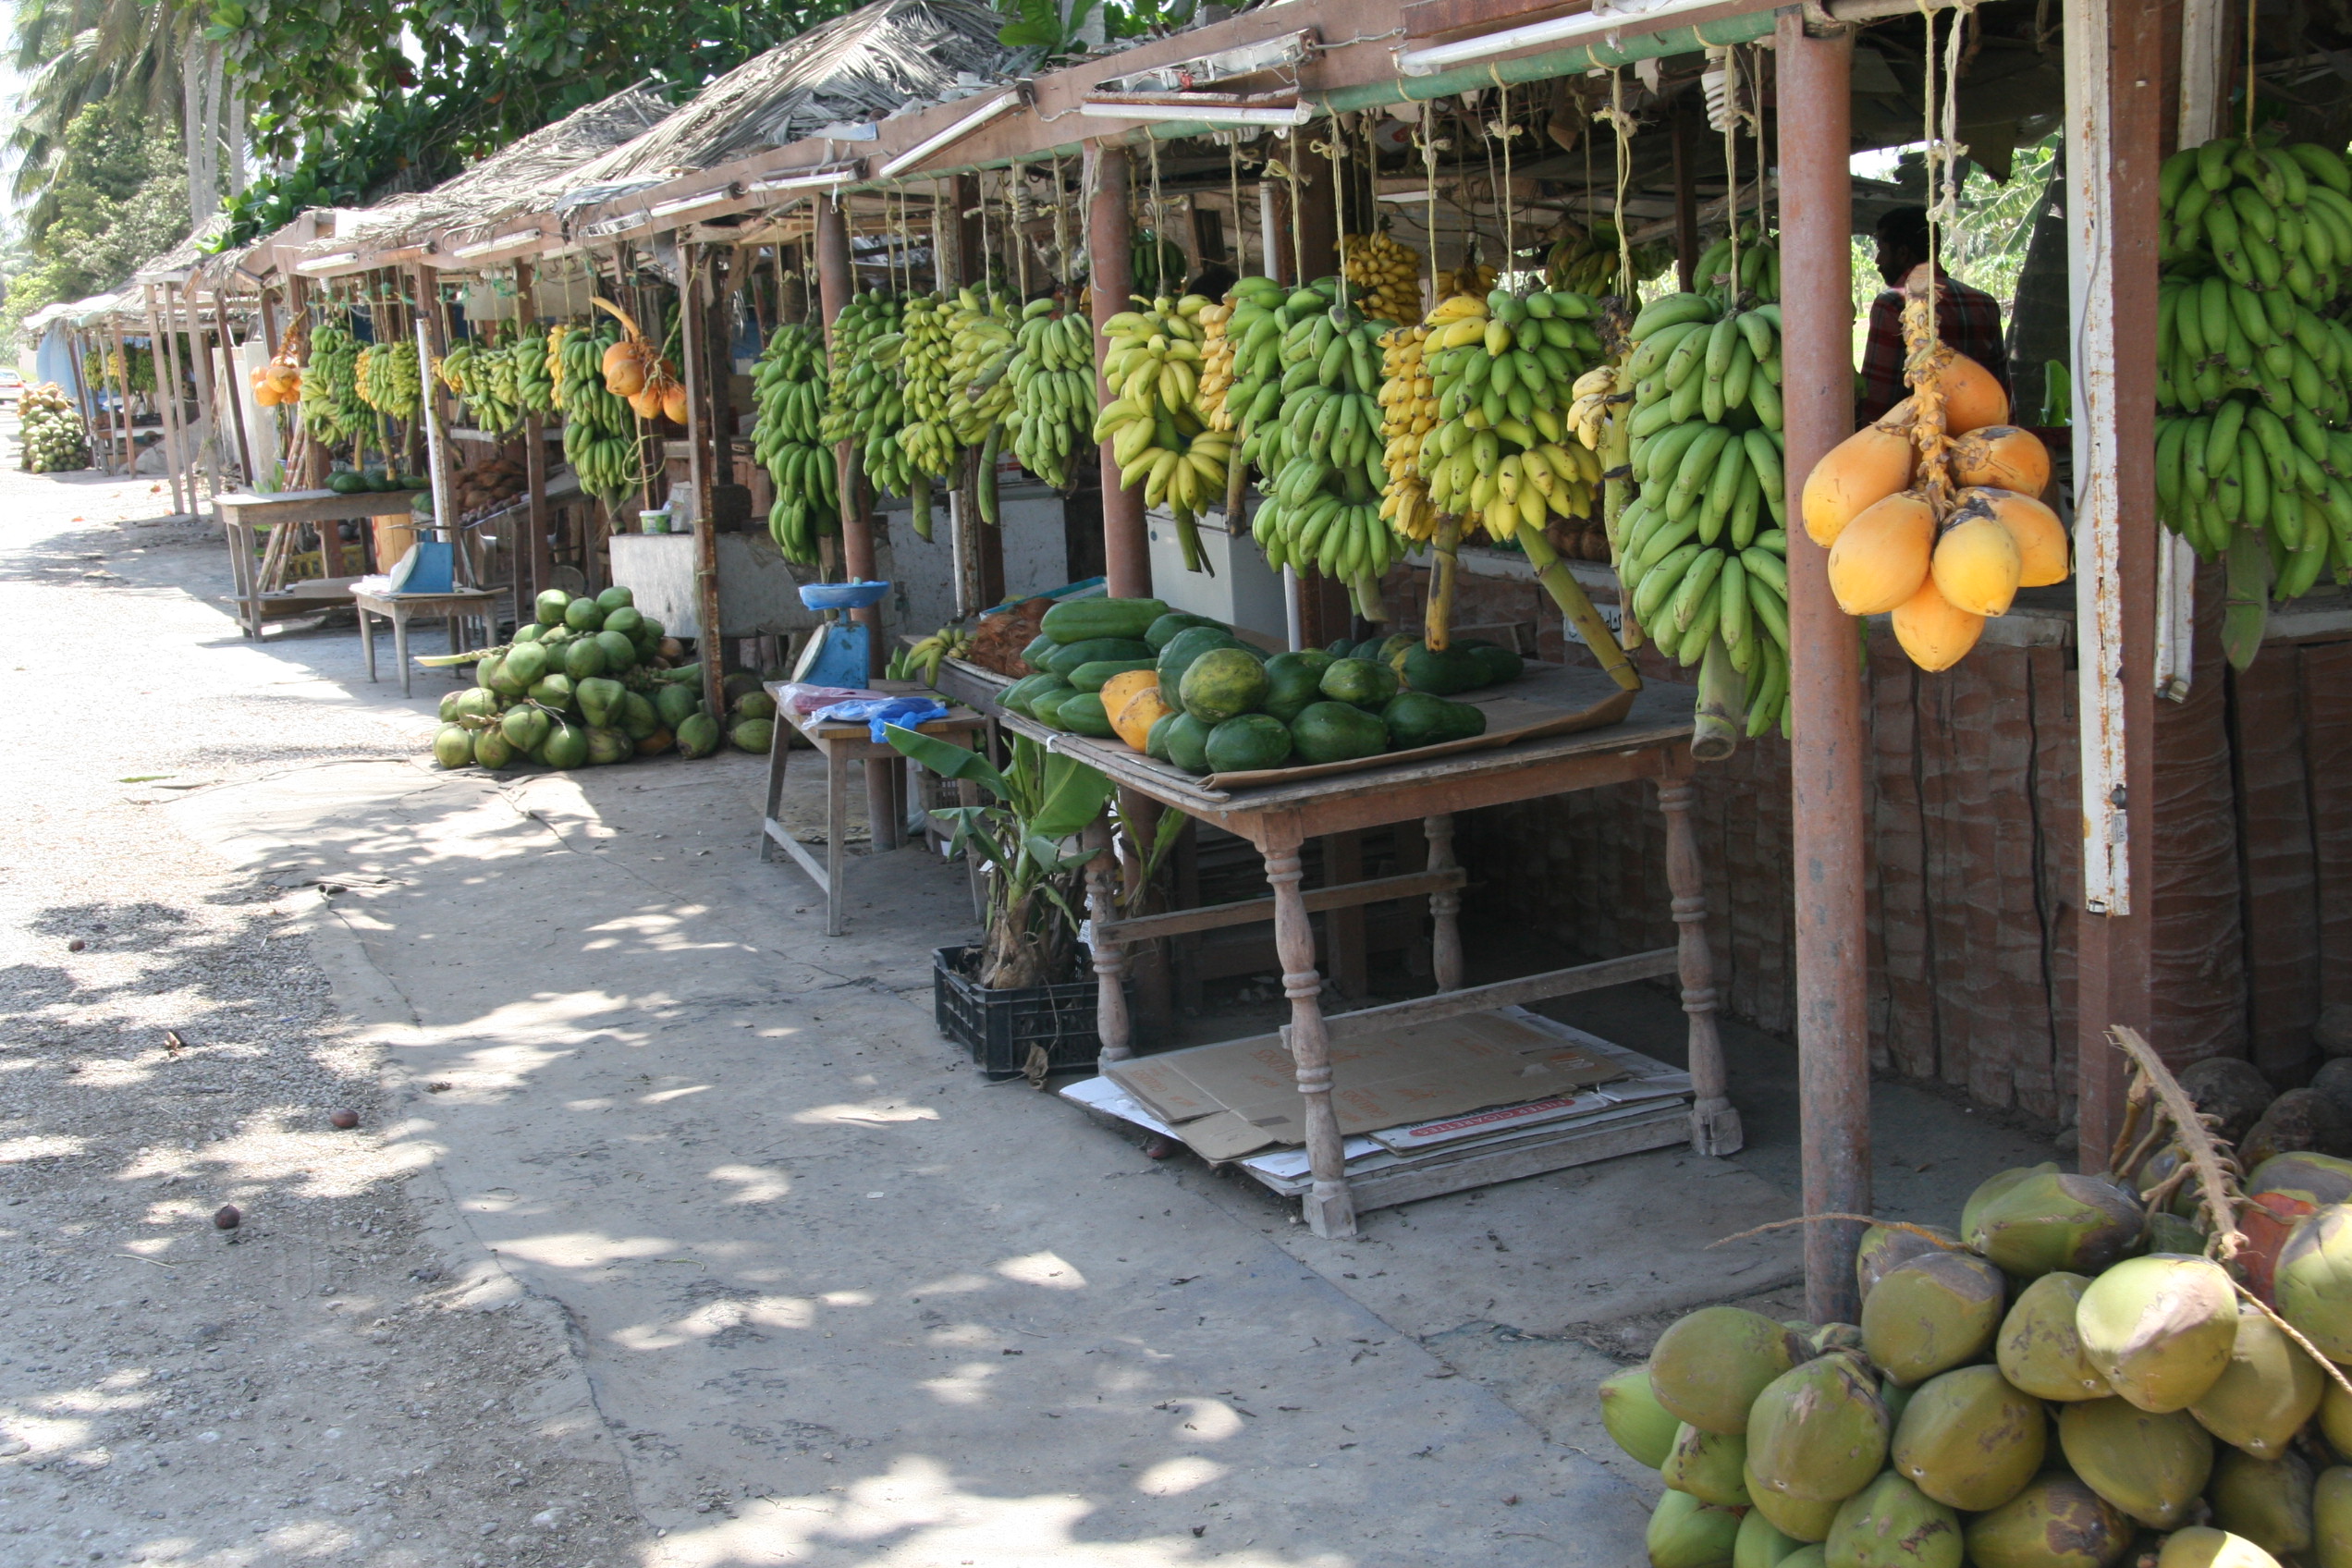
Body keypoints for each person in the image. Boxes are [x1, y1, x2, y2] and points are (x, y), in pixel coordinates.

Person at [1856, 206, 2011, 426]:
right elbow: (2001, 388)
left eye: (1881, 250)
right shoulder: (1983, 302)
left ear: (1902, 253)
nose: (1877, 260)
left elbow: (1878, 397)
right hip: (1977, 439)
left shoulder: (1892, 303)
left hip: (1918, 438)